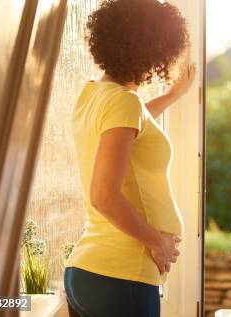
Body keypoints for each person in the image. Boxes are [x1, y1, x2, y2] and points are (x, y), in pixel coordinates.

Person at [64, 1, 196, 316]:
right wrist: (157, 242)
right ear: (153, 50)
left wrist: (173, 95)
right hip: (121, 276)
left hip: (89, 272)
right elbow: (104, 196)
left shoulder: (94, 95)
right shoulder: (123, 103)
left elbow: (133, 127)